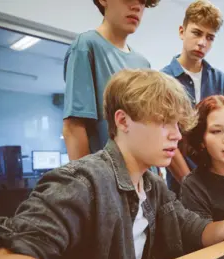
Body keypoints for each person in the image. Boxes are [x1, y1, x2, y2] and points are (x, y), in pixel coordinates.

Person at [0, 70, 224, 259]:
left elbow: (198, 230)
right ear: (123, 121)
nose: (175, 134)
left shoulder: (153, 188)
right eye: (162, 122)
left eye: (177, 123)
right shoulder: (82, 181)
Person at [62, 0, 158, 161]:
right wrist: (88, 183)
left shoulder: (143, 63)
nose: (137, 7)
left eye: (143, 1)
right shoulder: (86, 46)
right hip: (107, 178)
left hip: (144, 176)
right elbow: (73, 128)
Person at [161, 0, 224, 196]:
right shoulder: (163, 81)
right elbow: (165, 139)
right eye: (197, 33)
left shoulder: (222, 81)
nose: (202, 42)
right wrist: (190, 185)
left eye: (210, 37)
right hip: (180, 185)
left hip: (219, 182)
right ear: (181, 31)